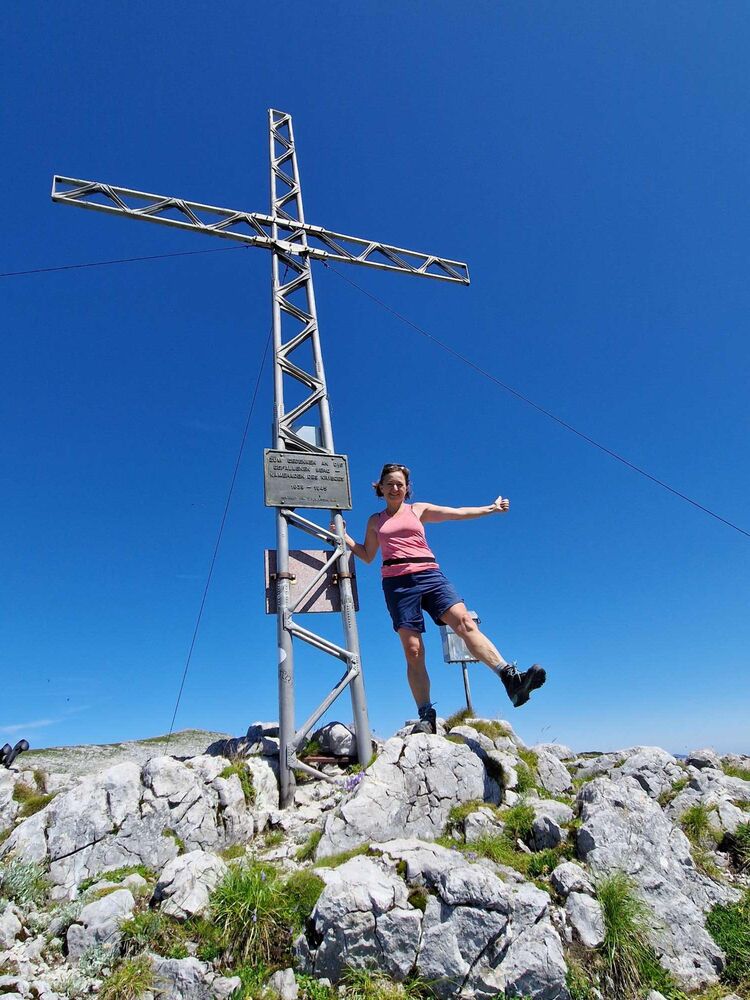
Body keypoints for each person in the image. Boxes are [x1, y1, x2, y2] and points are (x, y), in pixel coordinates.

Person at [337, 463, 546, 734]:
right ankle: (426, 714)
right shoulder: (375, 521)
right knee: (413, 650)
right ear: (380, 487)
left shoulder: (418, 510)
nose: (395, 488)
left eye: (400, 484)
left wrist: (491, 508)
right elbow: (367, 555)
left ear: (406, 488)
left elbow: (456, 513)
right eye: (389, 483)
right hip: (397, 584)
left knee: (465, 623)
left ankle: (510, 679)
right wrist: (344, 537)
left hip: (430, 575)